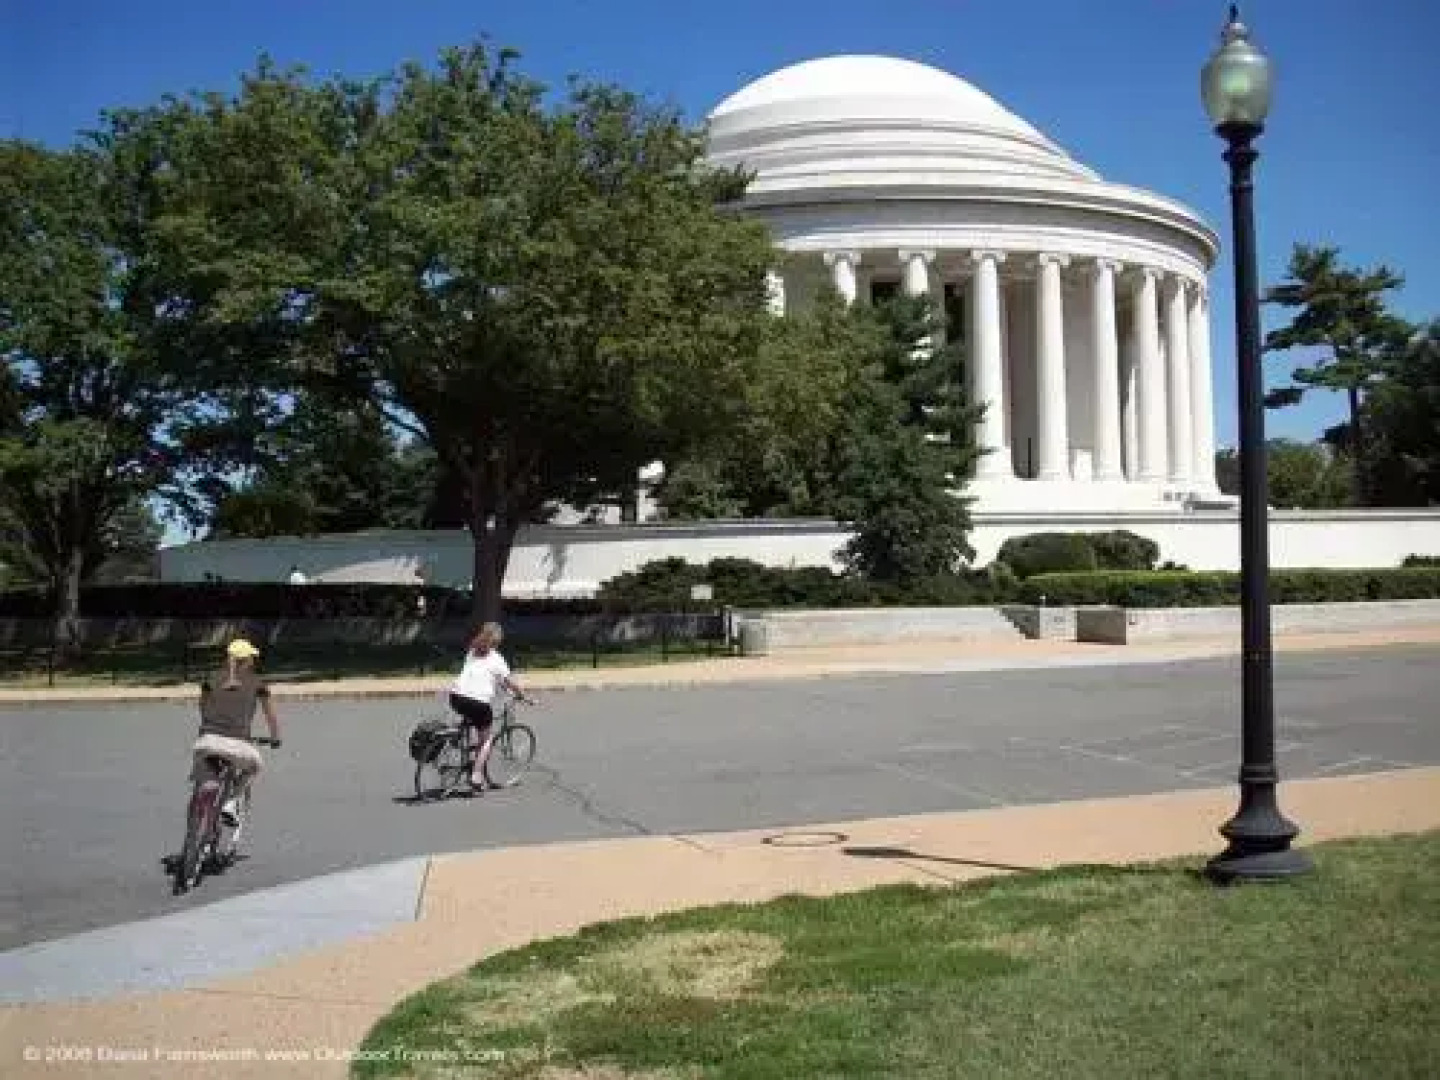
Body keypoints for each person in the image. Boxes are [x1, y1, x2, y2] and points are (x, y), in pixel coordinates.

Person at [192, 638, 282, 826]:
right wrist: (275, 738)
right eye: (252, 658)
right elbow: (270, 716)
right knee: (254, 766)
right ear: (247, 660)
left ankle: (197, 820)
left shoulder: (211, 679)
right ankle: (231, 802)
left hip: (206, 741)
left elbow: (202, 706)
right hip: (237, 743)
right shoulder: (257, 683)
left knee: (205, 771)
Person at [449, 622, 534, 789]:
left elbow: (489, 676)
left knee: (470, 715)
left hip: (455, 696)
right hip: (478, 702)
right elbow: (510, 683)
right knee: (486, 739)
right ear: (497, 641)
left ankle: (457, 740)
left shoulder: (472, 650)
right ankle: (476, 775)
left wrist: (500, 684)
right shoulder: (497, 659)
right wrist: (522, 696)